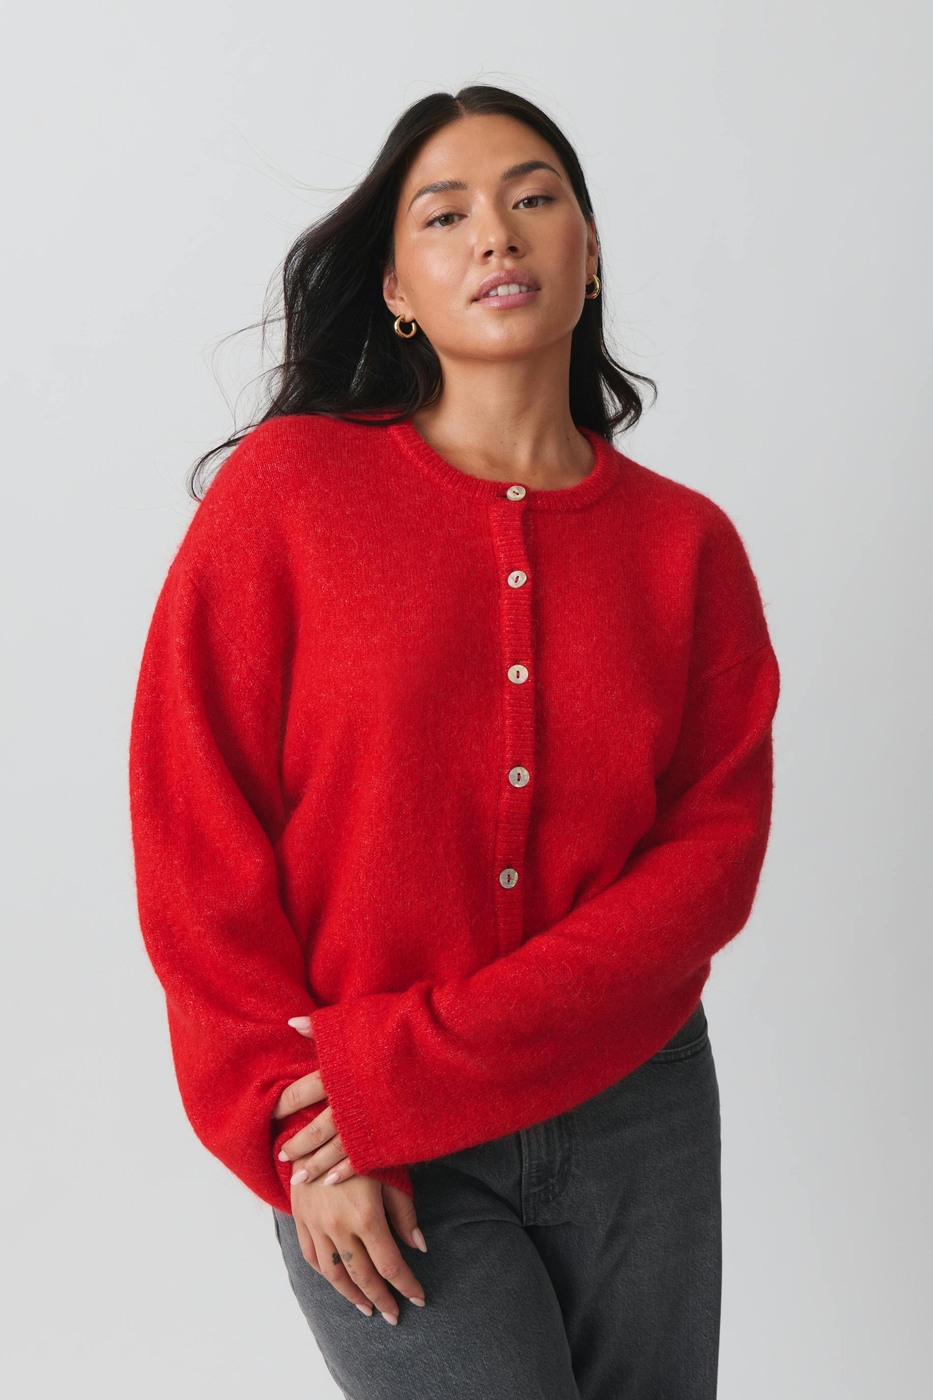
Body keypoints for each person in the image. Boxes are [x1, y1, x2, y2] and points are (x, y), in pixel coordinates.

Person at [129, 84, 780, 1400]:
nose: (496, 234)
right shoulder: (287, 494)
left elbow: (707, 863)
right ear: (395, 291)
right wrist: (296, 1120)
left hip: (635, 1107)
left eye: (534, 197)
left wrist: (400, 1073)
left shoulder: (685, 547)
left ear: (587, 254)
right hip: (366, 1133)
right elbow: (196, 823)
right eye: (445, 214)